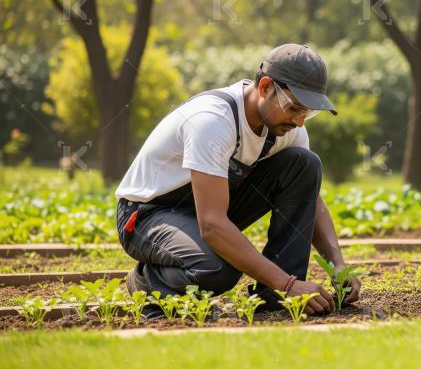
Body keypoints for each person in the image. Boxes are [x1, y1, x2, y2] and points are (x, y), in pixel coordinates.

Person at [114, 44, 360, 319]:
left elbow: (309, 199)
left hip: (204, 210)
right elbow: (212, 225)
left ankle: (275, 299)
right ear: (266, 86)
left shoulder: (287, 128)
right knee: (218, 268)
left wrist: (338, 264)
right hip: (148, 215)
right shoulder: (212, 121)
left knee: (305, 164)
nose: (300, 122)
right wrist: (288, 284)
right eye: (294, 108)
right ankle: (147, 282)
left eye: (308, 113)